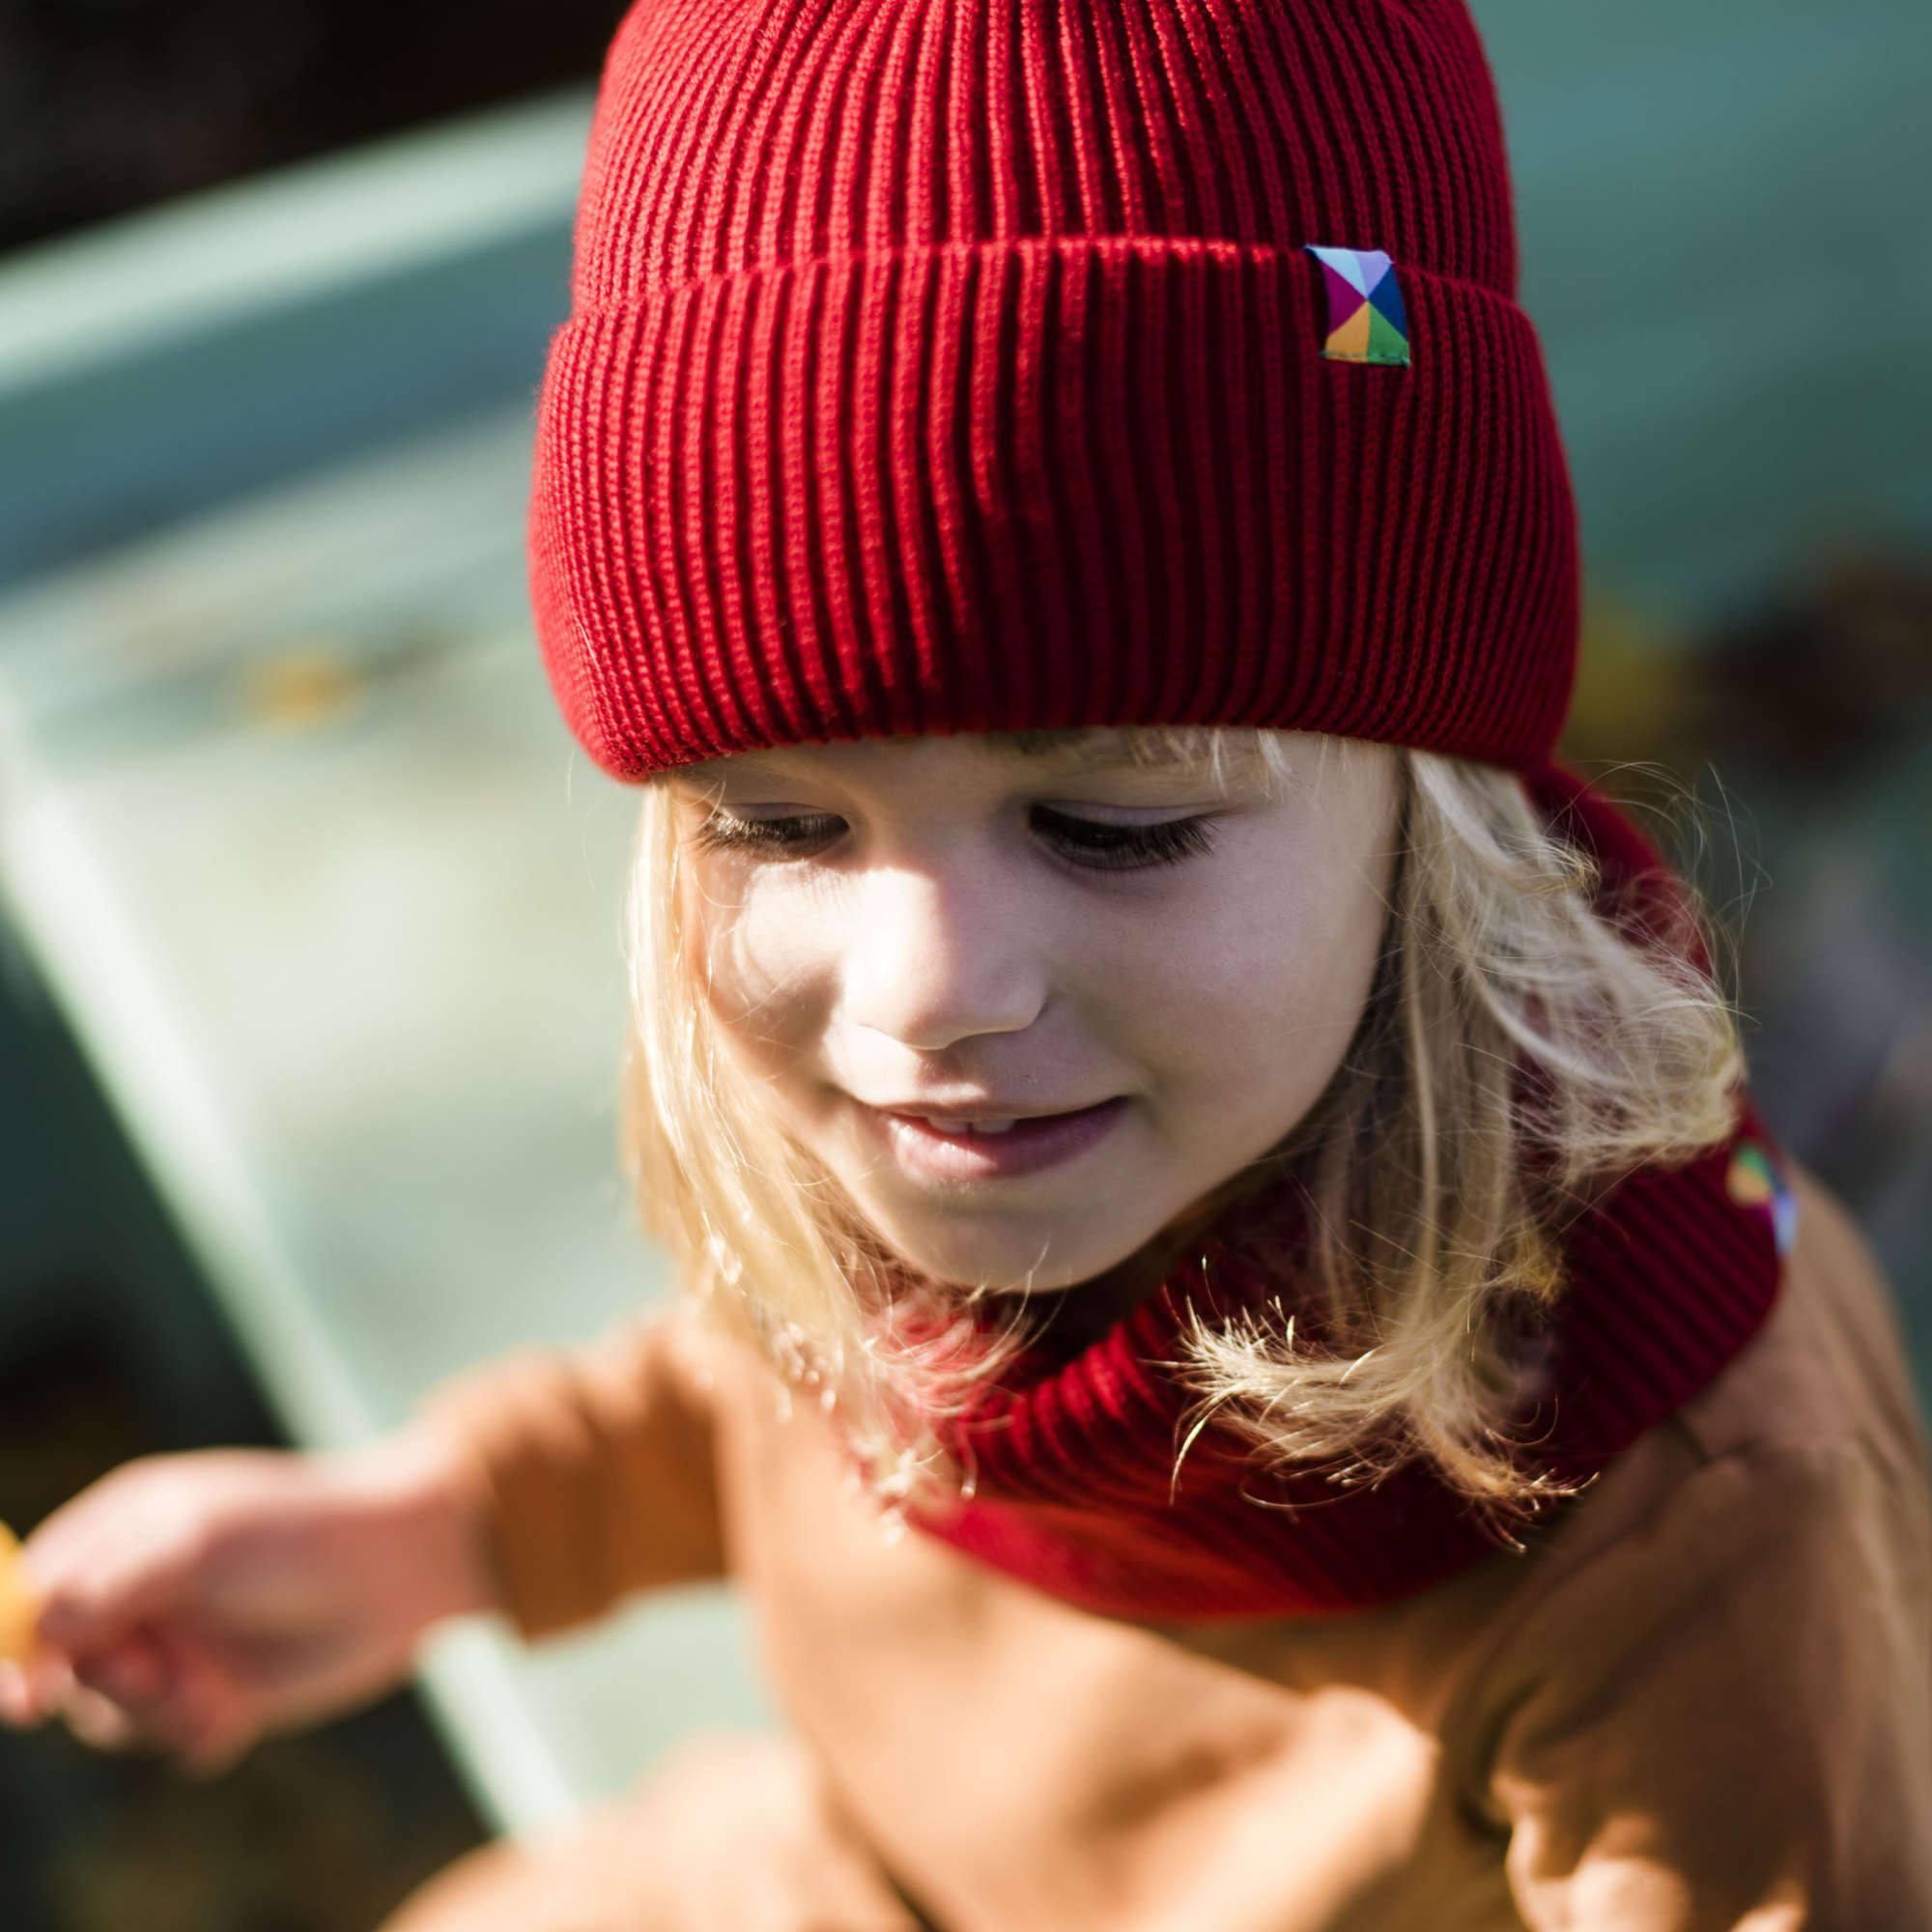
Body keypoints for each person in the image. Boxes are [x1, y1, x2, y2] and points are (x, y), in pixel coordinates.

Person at [5, 3, 1931, 1924]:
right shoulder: (1011, 1141)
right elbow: (805, 1376)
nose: (926, 989)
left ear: (1436, 807)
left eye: (1112, 824)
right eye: (777, 823)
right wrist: (442, 1528)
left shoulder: (1689, 1532)